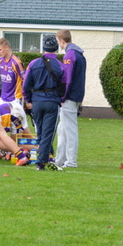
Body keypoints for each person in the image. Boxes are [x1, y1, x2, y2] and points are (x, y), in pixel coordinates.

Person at [22, 36, 64, 171]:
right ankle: (42, 161)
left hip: (37, 101)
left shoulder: (33, 64)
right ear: (56, 49)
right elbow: (65, 84)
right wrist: (61, 98)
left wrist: (29, 99)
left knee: (40, 131)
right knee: (48, 133)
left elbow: (25, 85)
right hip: (52, 101)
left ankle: (44, 155)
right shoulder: (60, 65)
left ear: (43, 48)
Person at [55, 29, 86, 168]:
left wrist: (62, 96)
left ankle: (71, 160)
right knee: (63, 129)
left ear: (61, 40)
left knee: (69, 129)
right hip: (75, 95)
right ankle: (60, 159)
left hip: (69, 96)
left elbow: (67, 78)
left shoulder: (70, 55)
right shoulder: (78, 54)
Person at [0, 38, 26, 108]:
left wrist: (26, 98)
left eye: (0, 50)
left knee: (16, 119)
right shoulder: (0, 61)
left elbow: (24, 80)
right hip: (3, 97)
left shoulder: (16, 62)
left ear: (7, 48)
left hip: (15, 98)